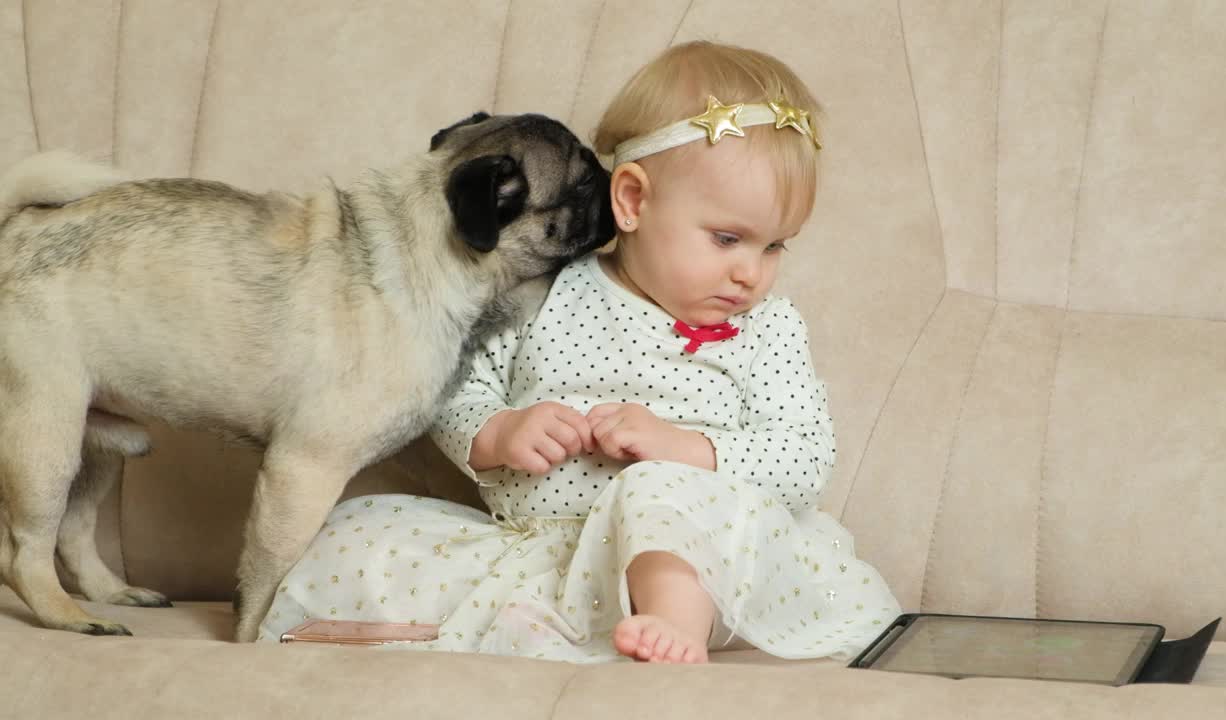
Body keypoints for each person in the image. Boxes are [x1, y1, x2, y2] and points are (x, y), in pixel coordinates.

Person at [257, 40, 901, 664]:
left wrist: (684, 448)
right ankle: (574, 629)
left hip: (716, 562)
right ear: (632, 200)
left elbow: (804, 457)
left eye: (774, 247)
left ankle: (675, 631)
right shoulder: (542, 292)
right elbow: (454, 388)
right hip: (554, 554)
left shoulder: (770, 328)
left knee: (657, 491)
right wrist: (499, 432)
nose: (750, 274)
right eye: (728, 238)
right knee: (355, 536)